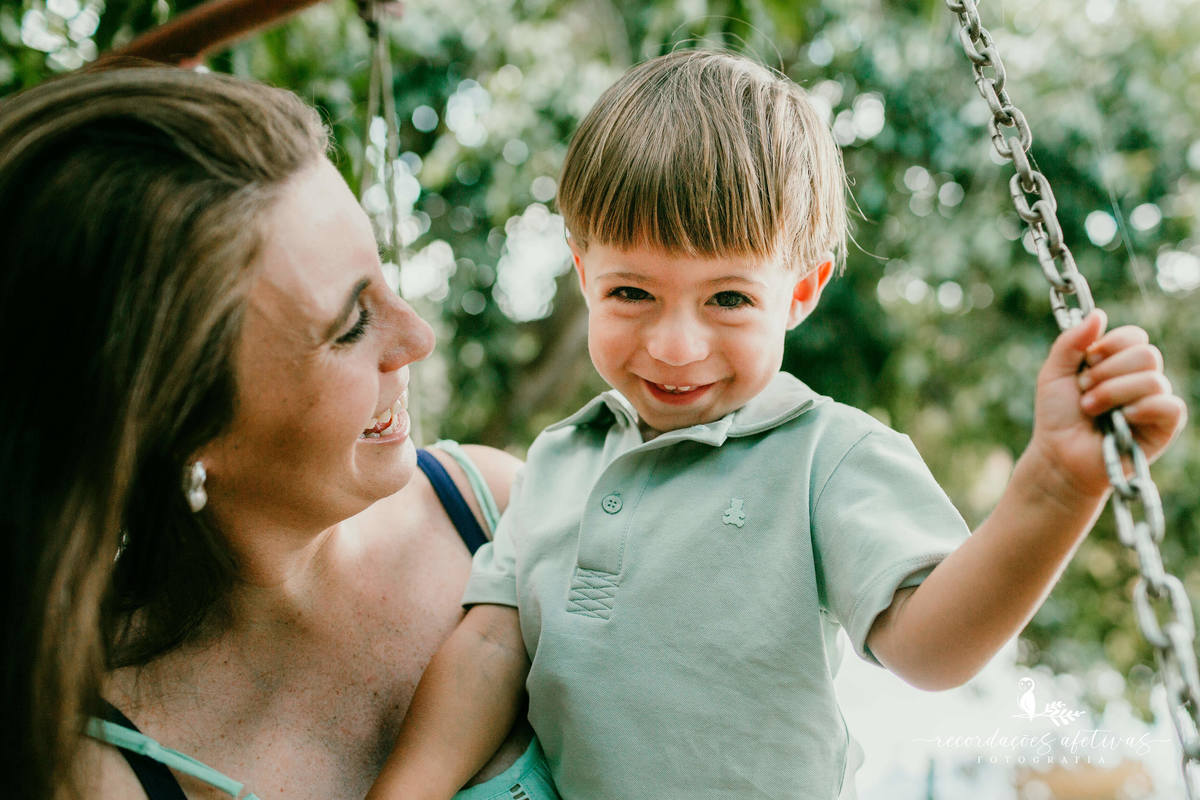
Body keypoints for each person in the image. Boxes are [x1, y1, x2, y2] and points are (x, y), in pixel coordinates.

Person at [366, 49, 1187, 799]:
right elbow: (489, 649)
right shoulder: (559, 461)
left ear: (800, 292)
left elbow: (933, 649)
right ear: (584, 276)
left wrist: (1055, 487)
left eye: (728, 298)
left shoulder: (826, 457)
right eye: (631, 293)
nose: (676, 346)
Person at [0, 65, 555, 799]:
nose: (416, 336)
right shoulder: (90, 770)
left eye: (383, 275)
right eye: (350, 326)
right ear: (180, 425)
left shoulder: (499, 512)